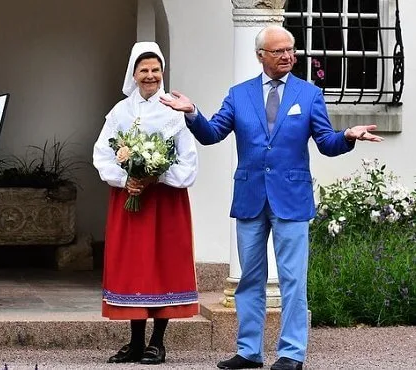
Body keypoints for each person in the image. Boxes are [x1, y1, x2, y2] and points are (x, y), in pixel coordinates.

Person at [161, 25, 383, 370]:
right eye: (278, 51)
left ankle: (292, 353)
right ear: (260, 56)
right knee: (250, 278)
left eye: (290, 50)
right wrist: (191, 113)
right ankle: (249, 351)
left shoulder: (309, 95)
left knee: (293, 278)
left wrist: (348, 136)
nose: (287, 57)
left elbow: (326, 142)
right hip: (250, 196)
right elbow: (212, 134)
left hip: (291, 198)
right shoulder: (239, 94)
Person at [93, 42, 199, 365]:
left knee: (163, 265)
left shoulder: (174, 111)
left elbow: (189, 162)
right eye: (144, 70)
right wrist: (127, 179)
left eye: (155, 70)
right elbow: (101, 154)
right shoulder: (120, 112)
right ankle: (135, 342)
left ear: (161, 73)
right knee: (134, 268)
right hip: (131, 200)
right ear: (134, 74)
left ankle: (157, 341)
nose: (150, 76)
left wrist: (158, 176)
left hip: (165, 202)